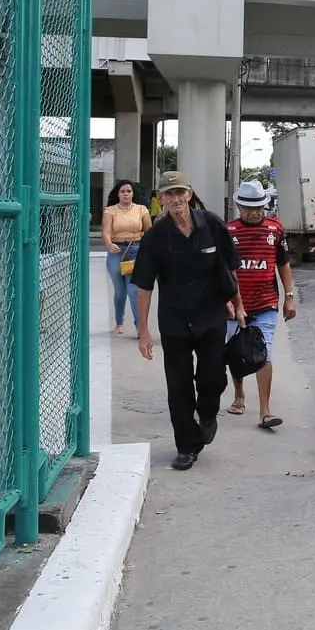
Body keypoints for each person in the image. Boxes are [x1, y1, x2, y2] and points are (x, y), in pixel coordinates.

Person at [131, 171, 247, 471]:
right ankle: (186, 446)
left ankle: (207, 414)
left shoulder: (211, 224)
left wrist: (239, 305)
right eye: (168, 194)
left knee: (213, 379)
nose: (175, 199)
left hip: (211, 317)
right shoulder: (155, 236)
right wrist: (143, 331)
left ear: (189, 193)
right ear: (160, 199)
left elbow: (230, 269)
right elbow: (144, 285)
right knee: (178, 386)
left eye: (179, 192)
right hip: (174, 322)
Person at [225, 180, 296, 429]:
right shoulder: (228, 231)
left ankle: (265, 411)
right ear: (238, 206)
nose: (254, 212)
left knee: (263, 353)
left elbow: (283, 263)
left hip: (266, 303)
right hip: (234, 305)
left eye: (259, 207)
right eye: (248, 207)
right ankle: (239, 395)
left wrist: (289, 296)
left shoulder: (275, 230)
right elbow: (222, 270)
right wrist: (228, 301)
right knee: (237, 353)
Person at [102, 179, 151, 336]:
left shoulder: (141, 209)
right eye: (122, 191)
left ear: (133, 194)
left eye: (129, 191)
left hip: (135, 250)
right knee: (120, 292)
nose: (126, 194)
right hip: (116, 252)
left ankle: (139, 327)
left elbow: (149, 231)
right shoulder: (110, 211)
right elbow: (106, 231)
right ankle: (119, 322)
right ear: (118, 194)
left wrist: (143, 244)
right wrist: (109, 244)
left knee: (134, 290)